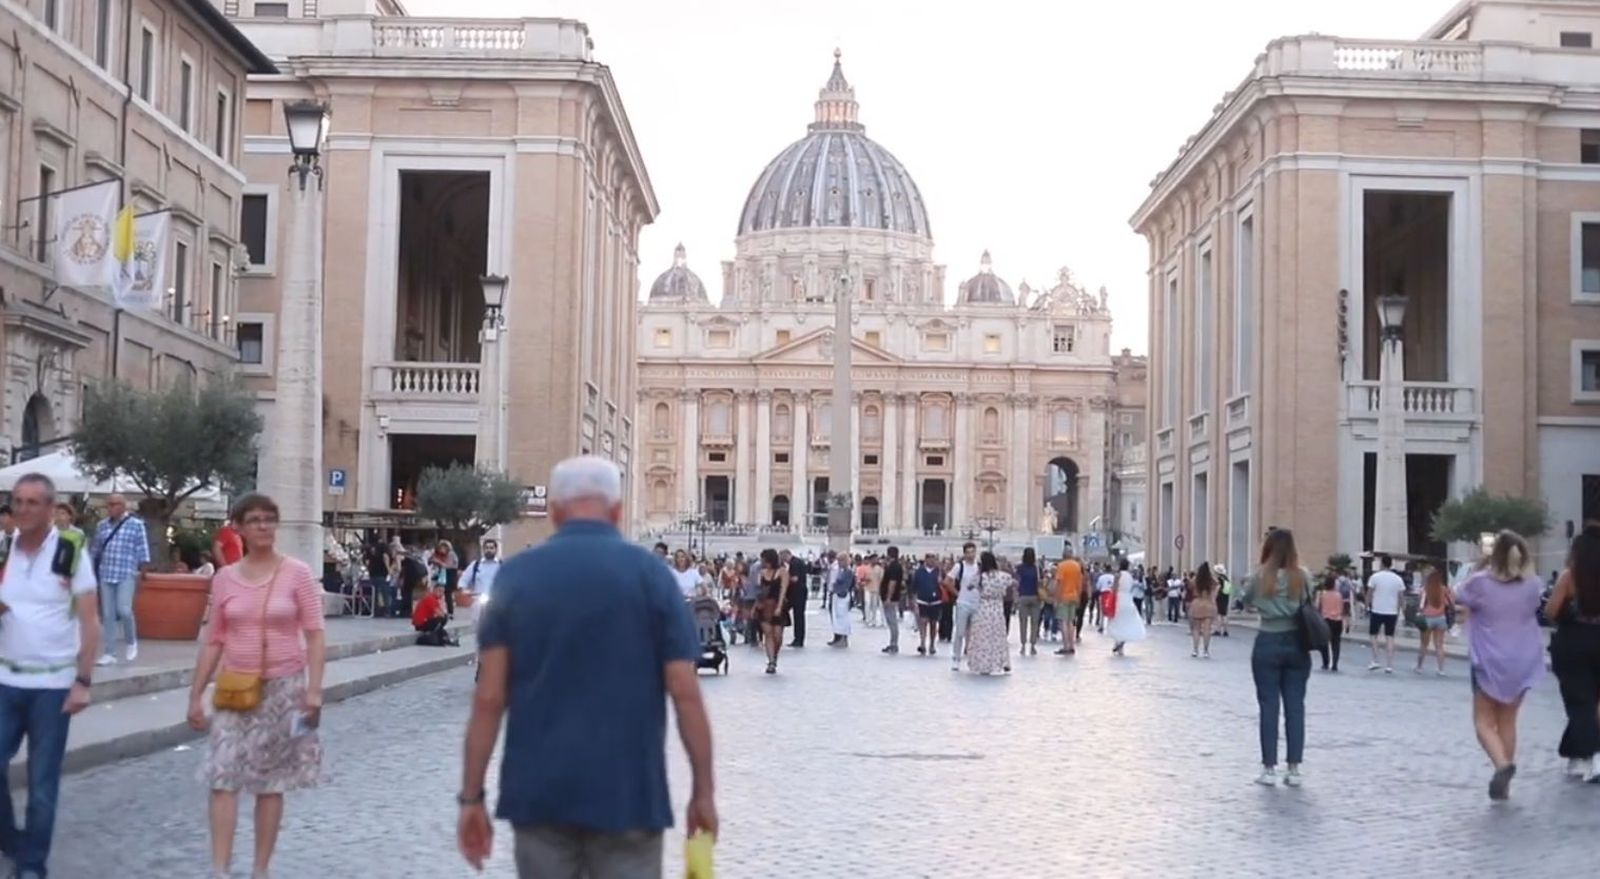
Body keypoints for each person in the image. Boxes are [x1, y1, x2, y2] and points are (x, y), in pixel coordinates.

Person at [456, 456, 716, 877]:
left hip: (540, 793)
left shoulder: (516, 578)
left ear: (555, 511)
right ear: (617, 510)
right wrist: (703, 792)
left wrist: (471, 797)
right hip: (630, 794)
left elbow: (489, 698)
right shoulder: (653, 577)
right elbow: (686, 695)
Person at [186, 493, 326, 879]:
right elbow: (214, 638)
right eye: (255, 520)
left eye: (269, 519)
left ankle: (260, 869)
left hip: (283, 687)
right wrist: (196, 693)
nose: (263, 526)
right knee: (222, 775)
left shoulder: (297, 573)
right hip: (234, 686)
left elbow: (315, 634)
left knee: (270, 782)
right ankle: (220, 869)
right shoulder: (225, 578)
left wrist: (314, 691)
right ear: (240, 528)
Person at [0, 474, 99, 879]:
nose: (24, 509)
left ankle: (31, 864)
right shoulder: (7, 549)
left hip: (52, 686)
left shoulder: (69, 551)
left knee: (42, 784)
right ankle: (11, 840)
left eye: (33, 502)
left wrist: (84, 681)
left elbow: (91, 623)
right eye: (18, 502)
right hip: (6, 681)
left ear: (50, 507)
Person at [1454, 530, 1545, 799]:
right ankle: (1504, 784)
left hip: (1488, 658)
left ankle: (1502, 765)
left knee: (1483, 721)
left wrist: (1480, 567)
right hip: (1522, 658)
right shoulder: (1532, 584)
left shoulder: (1481, 582)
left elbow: (1459, 594)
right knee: (1508, 720)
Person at [1240, 529, 1313, 787]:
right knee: (1296, 706)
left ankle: (1269, 768)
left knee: (1268, 706)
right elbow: (1310, 601)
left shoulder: (1259, 576)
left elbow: (1243, 599)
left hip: (1268, 640)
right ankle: (1293, 768)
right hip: (1296, 642)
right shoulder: (1302, 576)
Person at [1547, 522, 1600, 782]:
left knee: (1579, 701)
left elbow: (1552, 611)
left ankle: (1593, 756)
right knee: (1593, 703)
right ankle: (1574, 753)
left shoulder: (1571, 576)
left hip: (1574, 641)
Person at [90, 493, 150, 666]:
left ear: (124, 506)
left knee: (124, 609)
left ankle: (131, 640)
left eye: (115, 504)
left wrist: (141, 575)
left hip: (126, 573)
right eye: (108, 505)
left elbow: (143, 551)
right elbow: (95, 550)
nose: (111, 508)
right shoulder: (102, 526)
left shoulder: (136, 525)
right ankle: (110, 652)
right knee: (108, 614)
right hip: (106, 573)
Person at [965, 552, 1013, 675]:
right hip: (997, 609)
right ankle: (1001, 662)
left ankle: (982, 663)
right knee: (998, 637)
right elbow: (1013, 583)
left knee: (982, 637)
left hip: (983, 609)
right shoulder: (1003, 576)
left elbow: (969, 586)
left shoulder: (980, 576)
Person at [1365, 553, 1406, 673]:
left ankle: (1375, 659)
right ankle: (1389, 664)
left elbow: (1369, 593)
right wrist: (1402, 609)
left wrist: (1367, 605)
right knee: (1390, 637)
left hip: (1377, 609)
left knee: (1373, 635)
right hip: (1392, 611)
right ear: (1391, 564)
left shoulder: (1375, 577)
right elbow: (1401, 596)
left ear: (1382, 563)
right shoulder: (1398, 579)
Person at [945, 542, 981, 671]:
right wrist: (957, 593)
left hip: (977, 603)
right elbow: (947, 581)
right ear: (964, 553)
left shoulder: (980, 567)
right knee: (960, 632)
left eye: (973, 552)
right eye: (968, 552)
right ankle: (956, 657)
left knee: (973, 634)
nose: (971, 555)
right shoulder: (959, 566)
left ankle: (972, 658)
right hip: (963, 603)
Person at [755, 549, 790, 673]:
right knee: (768, 634)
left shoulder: (782, 572)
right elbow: (759, 591)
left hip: (777, 604)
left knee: (778, 635)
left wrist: (779, 606)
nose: (763, 562)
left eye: (764, 560)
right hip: (764, 606)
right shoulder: (761, 572)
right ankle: (771, 661)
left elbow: (783, 590)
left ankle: (774, 655)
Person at [1414, 568, 1454, 676]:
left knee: (1424, 644)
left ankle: (1419, 667)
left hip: (1427, 619)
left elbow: (1420, 605)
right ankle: (1441, 669)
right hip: (1441, 618)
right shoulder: (1444, 589)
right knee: (1439, 645)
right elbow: (1449, 603)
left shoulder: (1425, 589)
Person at [1104, 557, 1147, 656]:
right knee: (1127, 622)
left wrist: (1110, 598)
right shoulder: (1130, 576)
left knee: (1117, 622)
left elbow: (1114, 588)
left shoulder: (1118, 575)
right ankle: (1121, 645)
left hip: (1118, 599)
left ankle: (1118, 643)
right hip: (1128, 600)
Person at [1053, 552, 1084, 655]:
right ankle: (1071, 645)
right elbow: (1080, 583)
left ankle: (1066, 646)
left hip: (1063, 597)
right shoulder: (1077, 566)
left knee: (1063, 622)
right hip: (1074, 596)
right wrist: (1078, 596)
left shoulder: (1061, 566)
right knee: (1071, 622)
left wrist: (1057, 599)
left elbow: (1060, 583)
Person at [912, 553, 943, 656]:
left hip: (936, 601)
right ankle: (922, 643)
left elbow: (944, 585)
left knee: (934, 624)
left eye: (933, 559)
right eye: (930, 559)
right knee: (923, 622)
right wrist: (913, 600)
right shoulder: (919, 572)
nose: (932, 561)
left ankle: (932, 644)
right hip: (922, 600)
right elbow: (914, 586)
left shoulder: (939, 572)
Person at [1014, 548, 1043, 656]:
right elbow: (1041, 582)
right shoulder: (1037, 568)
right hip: (1035, 597)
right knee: (1035, 623)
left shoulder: (1020, 568)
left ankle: (1022, 645)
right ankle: (1033, 645)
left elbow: (1017, 582)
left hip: (1023, 596)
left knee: (1023, 622)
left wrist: (1016, 597)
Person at [1316, 572, 1345, 672]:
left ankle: (1325, 662)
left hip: (1325, 620)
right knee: (1336, 643)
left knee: (1324, 643)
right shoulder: (1339, 595)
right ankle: (1335, 664)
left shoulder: (1322, 594)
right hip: (1337, 620)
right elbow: (1341, 609)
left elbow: (1318, 608)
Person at [1189, 562, 1218, 658]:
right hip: (1208, 604)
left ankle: (1195, 650)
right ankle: (1206, 651)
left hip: (1197, 603)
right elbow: (1216, 589)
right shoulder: (1211, 581)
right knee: (1207, 630)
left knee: (1196, 629)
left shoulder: (1195, 580)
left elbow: (1190, 586)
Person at [461, 539, 502, 608]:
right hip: (479, 599)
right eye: (487, 548)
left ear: (496, 550)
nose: (489, 550)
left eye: (491, 548)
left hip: (497, 600)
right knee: (477, 616)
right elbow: (464, 579)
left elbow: (510, 581)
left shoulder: (502, 565)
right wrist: (463, 588)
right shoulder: (475, 565)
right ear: (483, 549)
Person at [881, 547, 905, 655]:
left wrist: (888, 597)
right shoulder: (895, 566)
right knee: (891, 621)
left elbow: (892, 582)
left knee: (892, 621)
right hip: (893, 596)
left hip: (891, 597)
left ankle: (894, 644)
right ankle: (893, 642)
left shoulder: (894, 567)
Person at [782, 550, 809, 647]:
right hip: (800, 592)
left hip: (797, 593)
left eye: (784, 559)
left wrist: (785, 578)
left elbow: (795, 578)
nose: (784, 561)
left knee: (798, 616)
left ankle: (798, 639)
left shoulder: (794, 563)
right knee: (799, 616)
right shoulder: (798, 561)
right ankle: (798, 638)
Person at [828, 555, 855, 648]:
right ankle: (837, 636)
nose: (839, 563)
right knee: (837, 617)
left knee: (842, 617)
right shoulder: (840, 570)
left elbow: (847, 584)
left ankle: (843, 637)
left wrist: (839, 590)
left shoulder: (848, 572)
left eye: (841, 561)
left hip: (842, 595)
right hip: (836, 594)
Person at [430, 540, 461, 618]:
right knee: (444, 594)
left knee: (447, 594)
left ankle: (450, 612)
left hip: (449, 575)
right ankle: (445, 610)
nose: (441, 549)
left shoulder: (451, 554)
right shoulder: (444, 555)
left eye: (442, 547)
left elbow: (448, 565)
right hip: (445, 575)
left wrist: (438, 561)